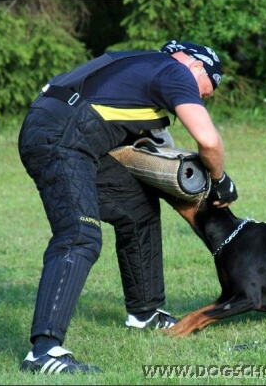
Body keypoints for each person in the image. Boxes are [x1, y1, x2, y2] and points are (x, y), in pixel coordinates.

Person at [18, 39, 238, 374]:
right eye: (210, 86)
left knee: (138, 210)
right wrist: (221, 179)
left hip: (64, 131)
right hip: (62, 138)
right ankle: (43, 352)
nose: (207, 95)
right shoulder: (175, 72)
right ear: (196, 66)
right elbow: (208, 140)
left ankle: (145, 313)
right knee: (79, 235)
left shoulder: (141, 65)